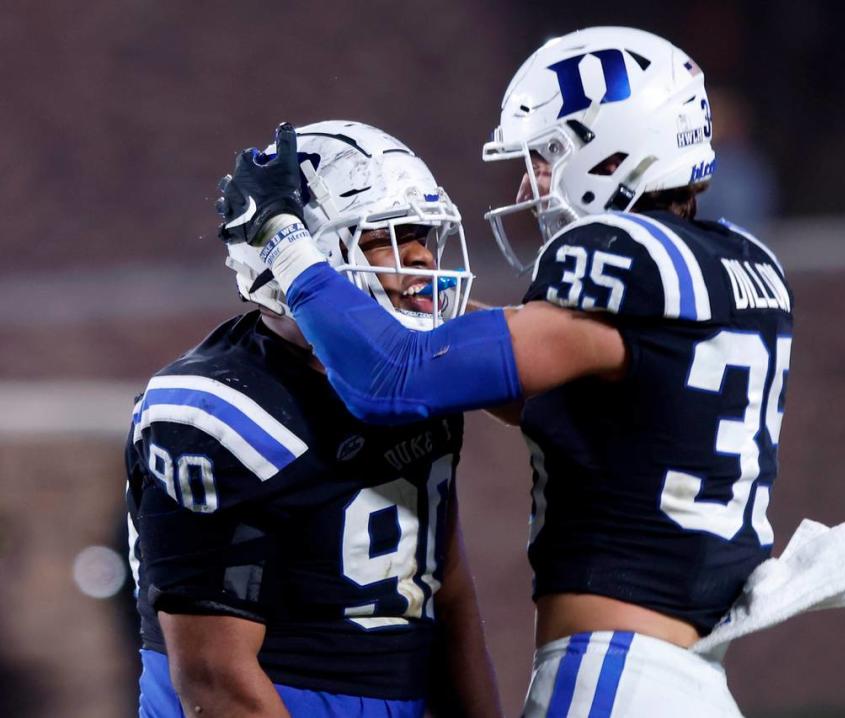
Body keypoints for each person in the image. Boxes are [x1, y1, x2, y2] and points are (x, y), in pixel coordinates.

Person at [217, 28, 791, 717]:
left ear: (613, 147)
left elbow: (393, 379)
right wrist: (397, 291)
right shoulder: (739, 262)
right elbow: (552, 397)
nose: (530, 182)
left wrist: (283, 238)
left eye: (547, 155)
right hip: (690, 677)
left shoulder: (623, 257)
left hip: (617, 676)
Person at [125, 120, 501, 718]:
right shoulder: (219, 408)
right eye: (385, 237)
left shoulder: (420, 374)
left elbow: (442, 584)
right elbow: (213, 680)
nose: (422, 258)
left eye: (423, 234)